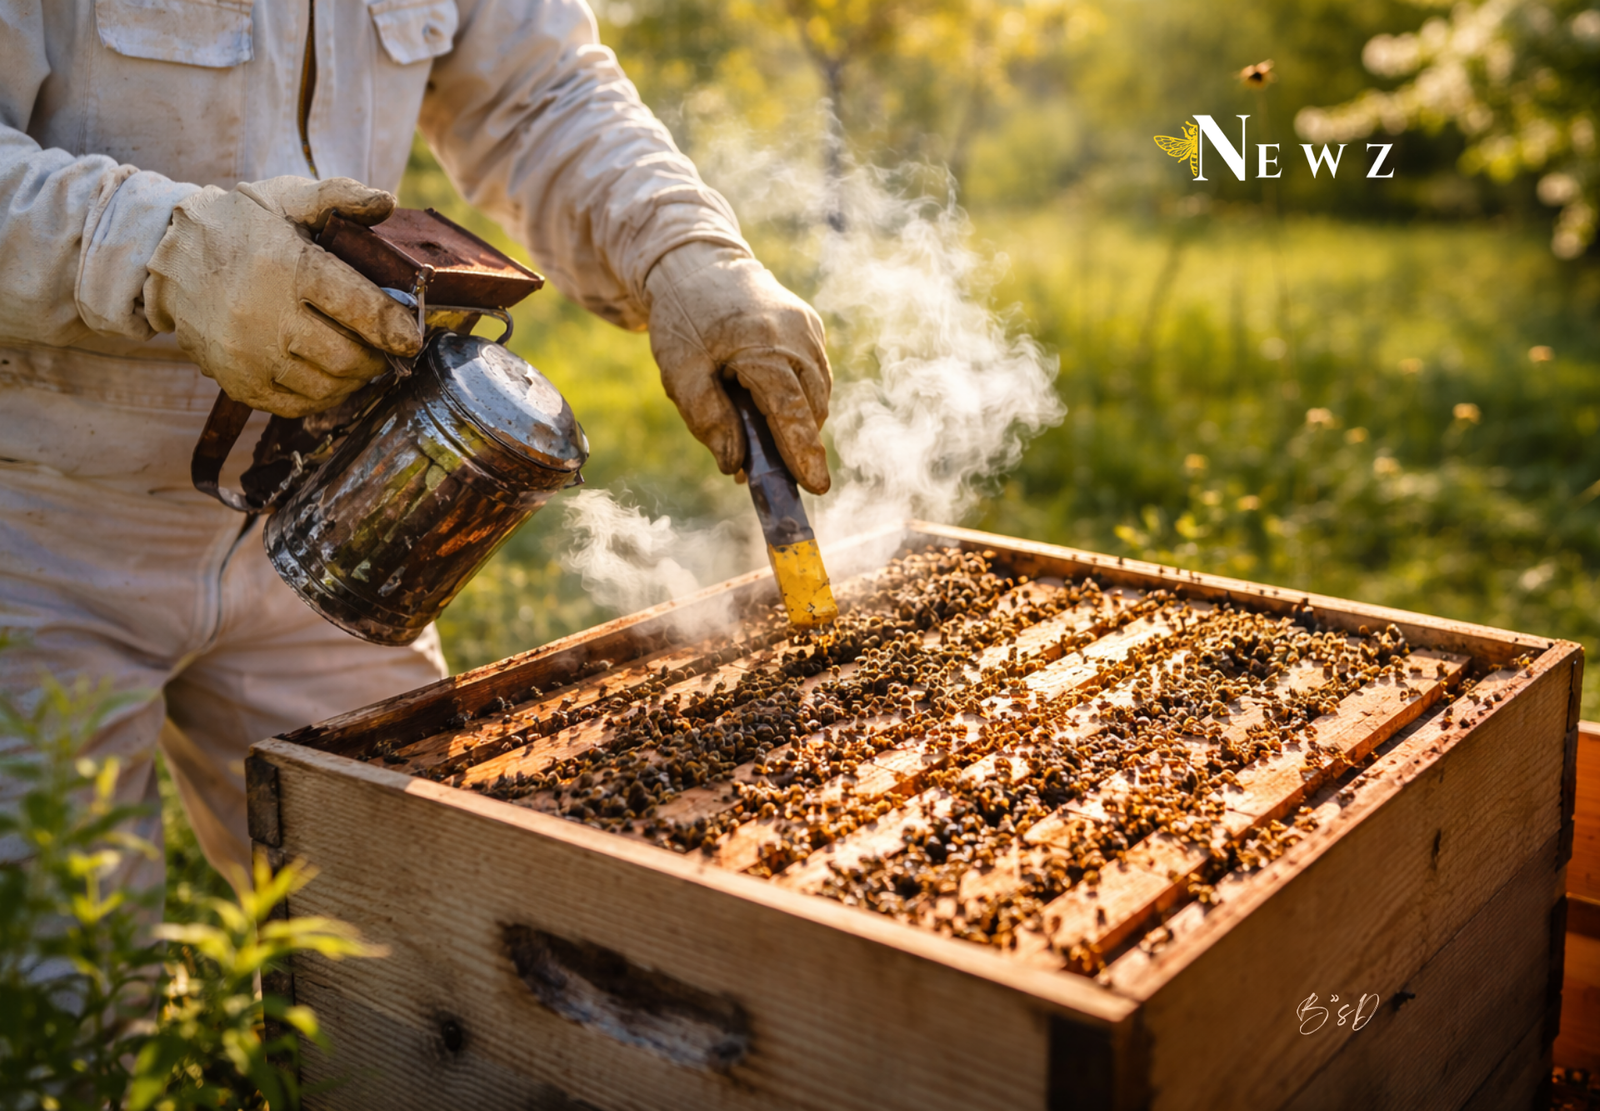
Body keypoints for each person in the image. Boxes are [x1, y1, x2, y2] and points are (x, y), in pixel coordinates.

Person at [0, 0, 832, 892]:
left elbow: (539, 92)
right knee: (54, 984)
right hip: (34, 522)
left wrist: (682, 248)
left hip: (335, 501)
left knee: (405, 938)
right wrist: (157, 248)